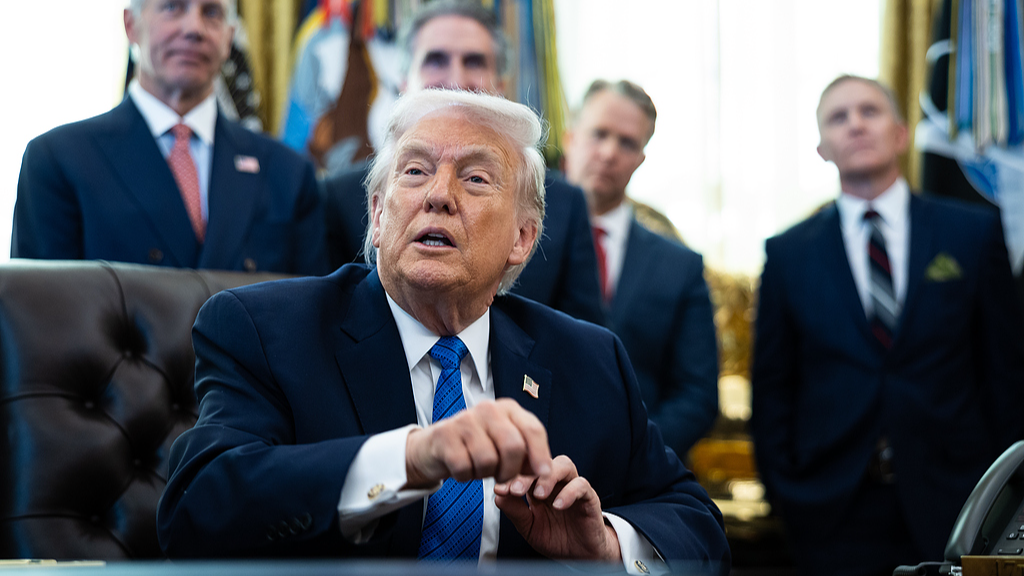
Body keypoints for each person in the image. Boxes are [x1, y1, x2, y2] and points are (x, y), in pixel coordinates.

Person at [156, 89, 730, 573]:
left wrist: (603, 546)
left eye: (476, 178)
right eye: (415, 171)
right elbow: (196, 509)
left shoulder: (589, 359)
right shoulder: (267, 330)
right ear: (378, 215)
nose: (438, 195)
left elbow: (695, 524)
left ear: (522, 239)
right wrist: (410, 458)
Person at [751, 75, 1024, 576]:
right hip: (831, 511)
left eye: (869, 111)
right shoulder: (788, 254)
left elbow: (1005, 373)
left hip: (957, 502)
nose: (855, 124)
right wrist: (790, 497)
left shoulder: (972, 233)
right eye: (838, 117)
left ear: (900, 134)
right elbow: (772, 389)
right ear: (822, 148)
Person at [321, 0, 604, 325]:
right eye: (435, 60)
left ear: (501, 86)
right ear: (403, 81)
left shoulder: (565, 205)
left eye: (474, 61)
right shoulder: (336, 196)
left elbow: (581, 342)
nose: (455, 79)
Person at [11, 0, 328, 275]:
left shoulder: (288, 174)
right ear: (131, 25)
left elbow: (312, 313)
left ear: (230, 36)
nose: (194, 28)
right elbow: (40, 314)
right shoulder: (58, 162)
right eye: (172, 7)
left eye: (212, 12)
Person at [562, 80, 719, 458]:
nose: (609, 153)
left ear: (641, 159)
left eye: (627, 143)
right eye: (599, 134)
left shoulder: (679, 267)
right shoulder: (512, 239)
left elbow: (697, 395)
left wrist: (635, 456)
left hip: (638, 466)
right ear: (570, 138)